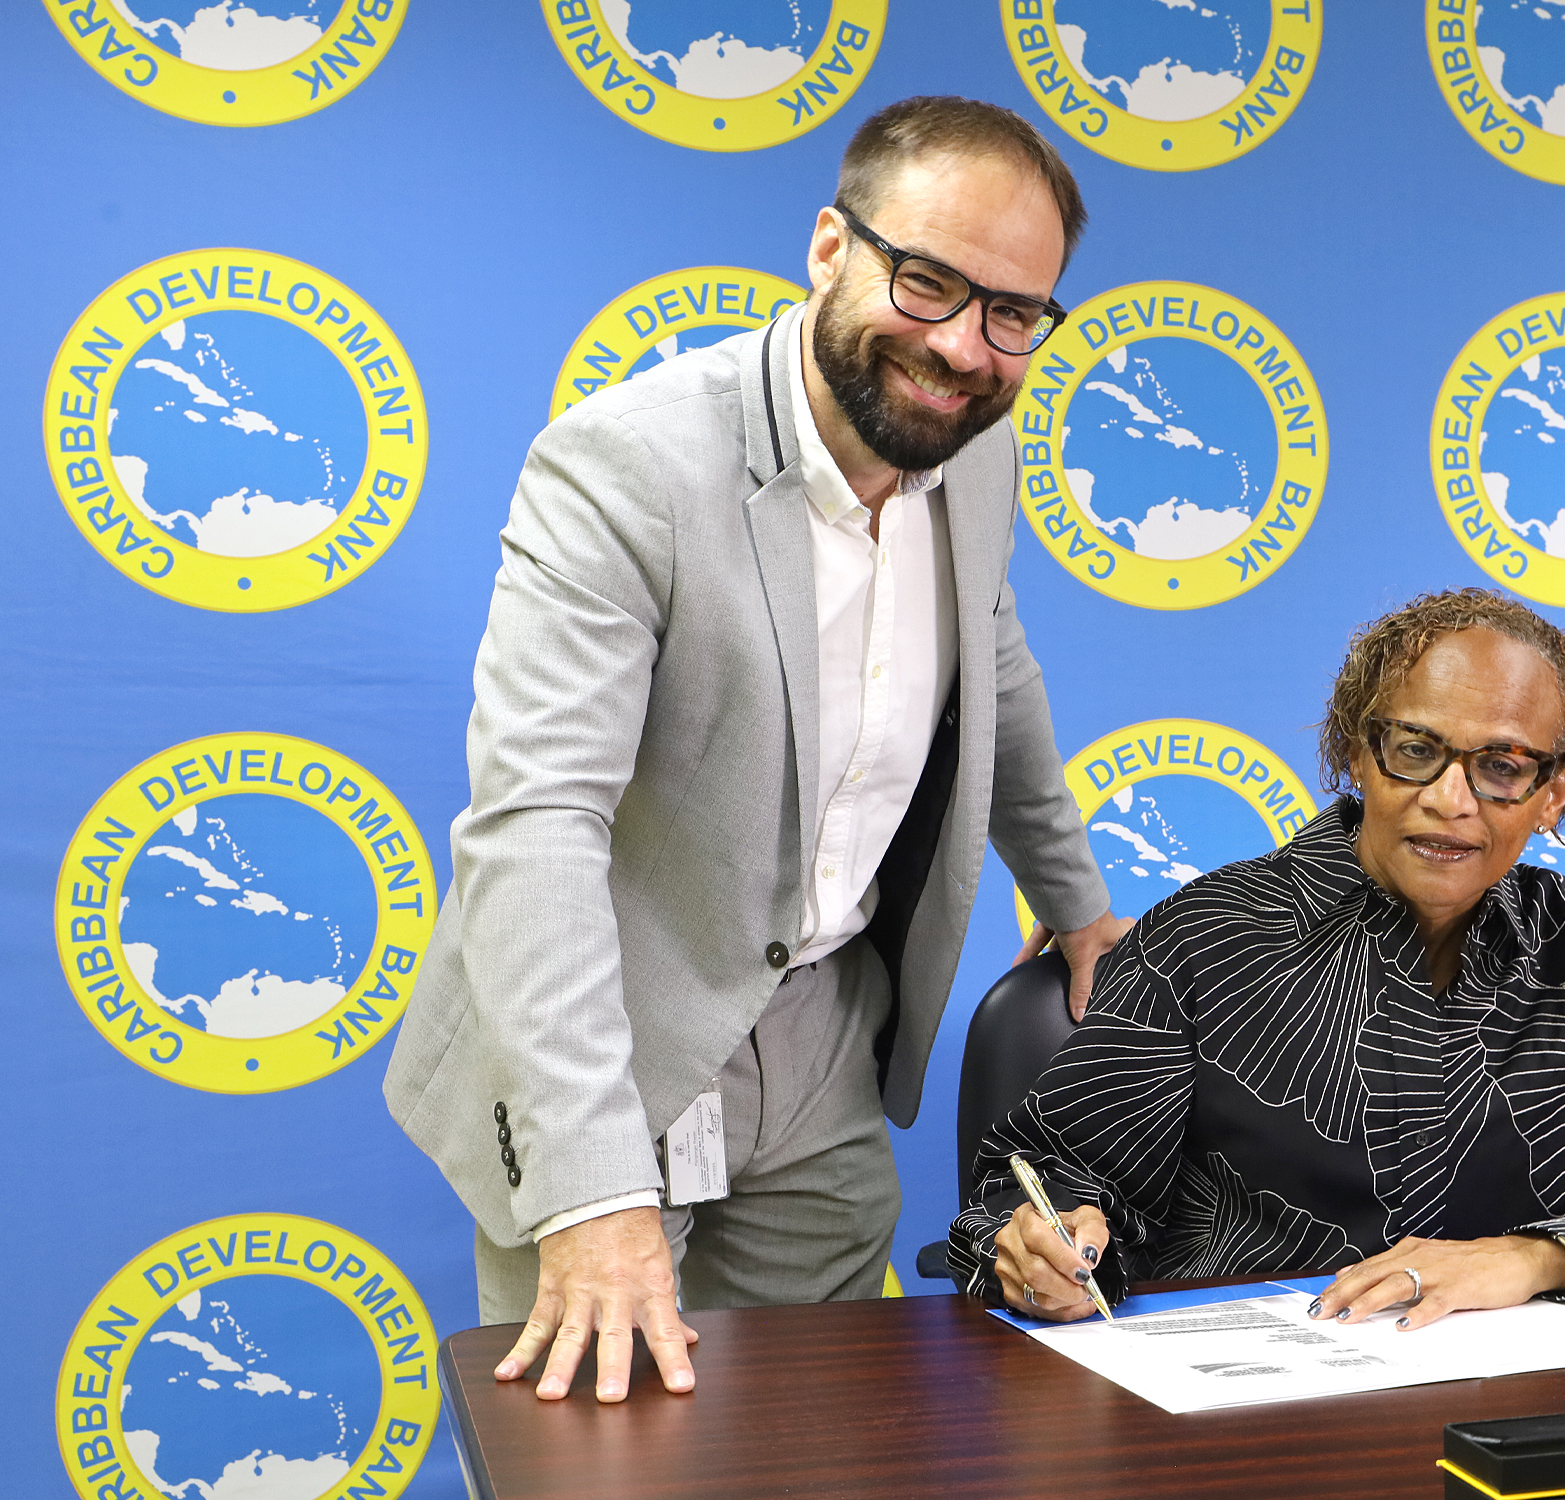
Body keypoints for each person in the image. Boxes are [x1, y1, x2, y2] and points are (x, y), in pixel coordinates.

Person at [385, 96, 1130, 1403]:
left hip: (830, 1035)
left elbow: (993, 662)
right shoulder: (626, 467)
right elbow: (536, 830)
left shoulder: (981, 447)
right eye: (930, 282)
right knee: (609, 1453)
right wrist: (592, 1192)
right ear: (829, 247)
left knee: (819, 1440)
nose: (965, 348)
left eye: (1015, 314)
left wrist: (1076, 907)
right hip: (610, 1032)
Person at [952, 587, 1565, 1328]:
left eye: (1501, 767)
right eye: (1416, 750)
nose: (1450, 799)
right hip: (1234, 1420)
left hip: (1493, 1414)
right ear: (1355, 754)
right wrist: (1039, 1245)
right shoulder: (1206, 936)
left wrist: (1537, 1258)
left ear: (1554, 793)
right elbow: (1035, 1184)